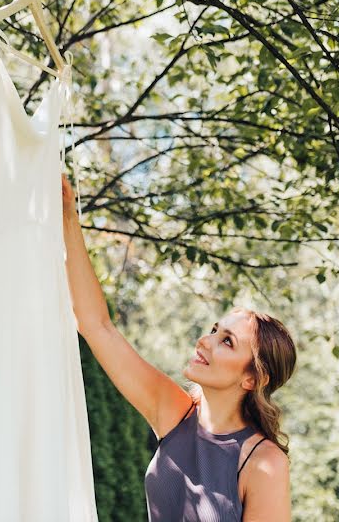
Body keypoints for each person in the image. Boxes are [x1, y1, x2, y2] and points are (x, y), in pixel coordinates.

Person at [60, 172, 296, 521]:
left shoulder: (264, 463)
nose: (206, 340)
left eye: (227, 342)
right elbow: (96, 326)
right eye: (215, 330)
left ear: (252, 378)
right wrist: (67, 218)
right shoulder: (174, 414)